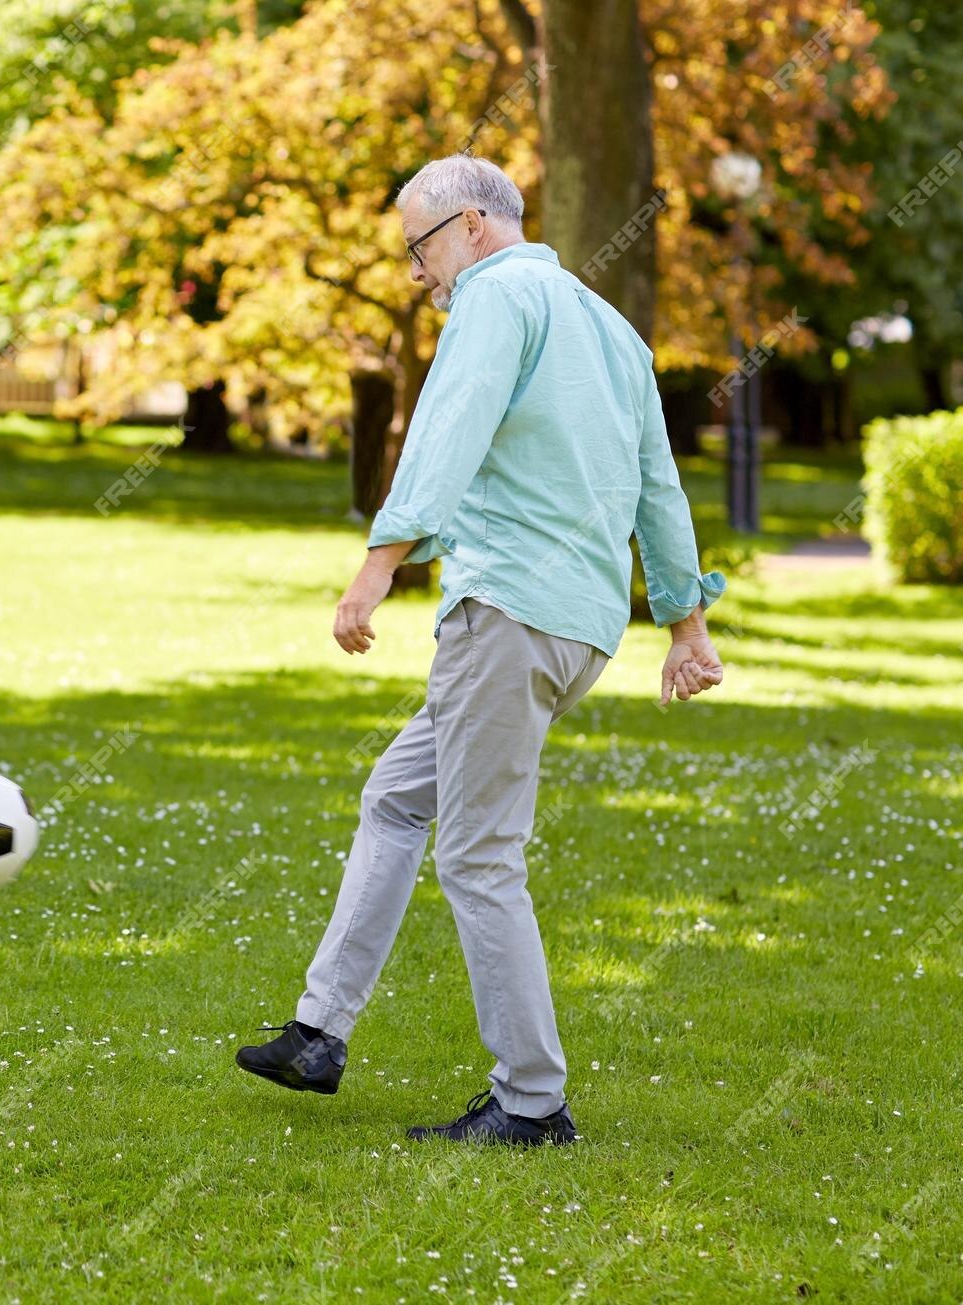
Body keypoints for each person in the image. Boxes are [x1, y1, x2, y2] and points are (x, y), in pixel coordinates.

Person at [236, 156, 727, 1146]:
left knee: (475, 857)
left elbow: (444, 435)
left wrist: (376, 568)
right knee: (395, 796)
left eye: (417, 249)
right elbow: (657, 489)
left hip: (502, 615)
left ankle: (530, 1102)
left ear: (466, 225)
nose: (414, 273)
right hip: (574, 627)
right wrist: (682, 622)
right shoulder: (609, 329)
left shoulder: (494, 299)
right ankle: (317, 1032)